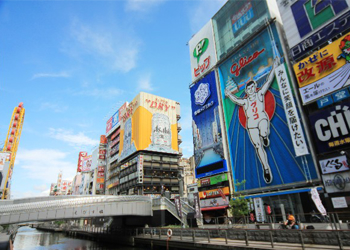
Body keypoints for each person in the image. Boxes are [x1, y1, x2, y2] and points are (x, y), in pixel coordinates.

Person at [225, 58, 279, 184]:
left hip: (261, 119)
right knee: (258, 146)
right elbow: (236, 100)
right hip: (252, 125)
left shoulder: (260, 94)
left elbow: (268, 81)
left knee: (264, 129)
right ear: (247, 91)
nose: (250, 91)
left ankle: (265, 136)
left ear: (254, 88)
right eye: (248, 90)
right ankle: (266, 168)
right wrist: (228, 94)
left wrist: (274, 67)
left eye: (252, 88)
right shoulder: (245, 101)